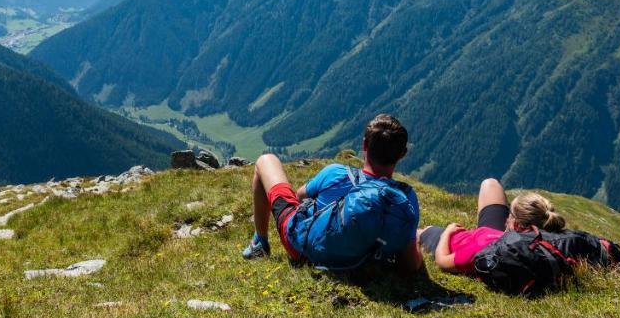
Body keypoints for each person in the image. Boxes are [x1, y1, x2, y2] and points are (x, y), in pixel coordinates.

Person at [242, 113, 423, 273]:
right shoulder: (405, 198)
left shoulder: (335, 173)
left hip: (305, 252)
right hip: (360, 266)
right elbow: (410, 265)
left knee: (266, 160)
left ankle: (260, 242)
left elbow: (299, 196)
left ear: (364, 145)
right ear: (402, 154)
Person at [417, 178, 565, 275]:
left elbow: (442, 262)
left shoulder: (483, 249)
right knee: (491, 184)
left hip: (460, 242)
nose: (506, 216)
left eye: (510, 214)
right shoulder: (543, 246)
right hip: (497, 235)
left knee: (421, 232)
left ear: (516, 224)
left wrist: (446, 233)